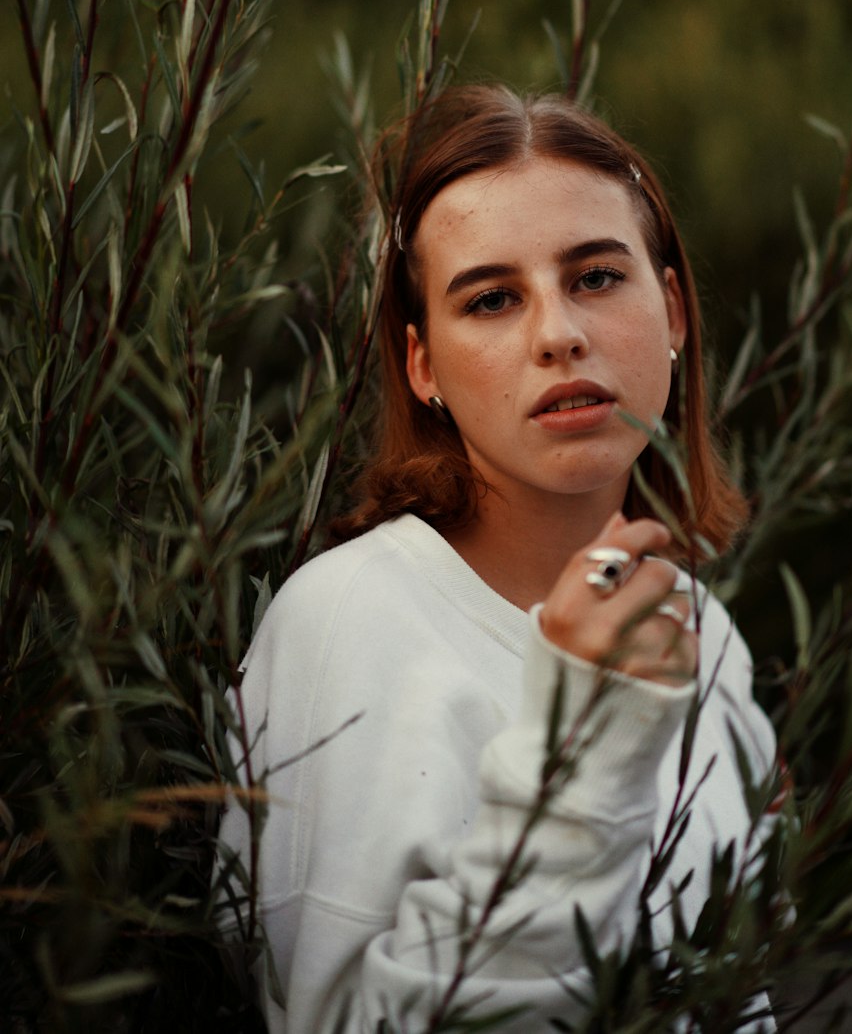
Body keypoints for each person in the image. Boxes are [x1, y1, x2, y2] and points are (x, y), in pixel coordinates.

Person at [217, 84, 780, 1033]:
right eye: (490, 298)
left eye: (597, 277)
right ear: (423, 365)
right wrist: (583, 759)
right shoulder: (348, 625)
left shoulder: (698, 631)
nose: (558, 333)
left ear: (673, 309)